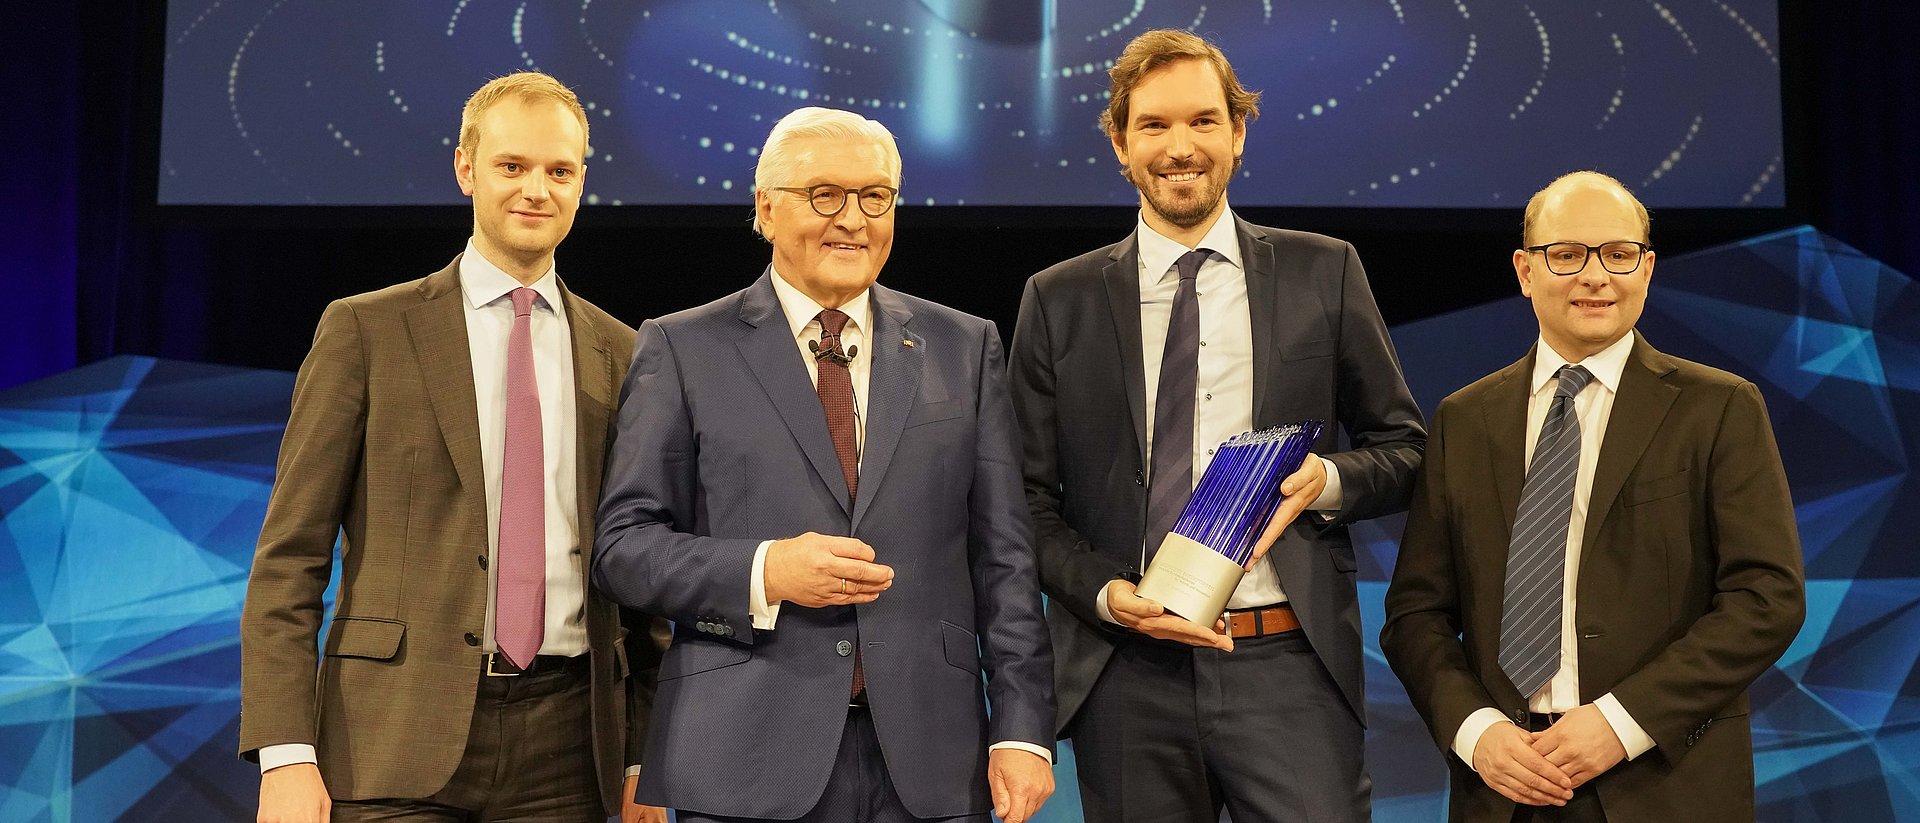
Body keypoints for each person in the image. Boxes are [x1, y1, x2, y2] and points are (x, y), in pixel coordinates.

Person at [591, 106, 1056, 823]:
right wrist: (765, 570)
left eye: (876, 197)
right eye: (825, 195)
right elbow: (624, 549)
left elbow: (1005, 559)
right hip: (743, 756)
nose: (853, 219)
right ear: (766, 210)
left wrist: (1023, 727)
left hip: (931, 759)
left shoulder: (966, 346)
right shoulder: (683, 348)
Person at [1008, 28, 1426, 822]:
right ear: (1120, 145)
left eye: (1203, 121)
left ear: (1238, 134)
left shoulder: (1323, 270)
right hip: (1127, 672)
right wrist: (1104, 592)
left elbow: (1405, 448)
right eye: (1154, 126)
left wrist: (1326, 480)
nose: (1180, 147)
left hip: (1287, 664)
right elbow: (1020, 501)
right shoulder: (1056, 300)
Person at [240, 72, 668, 823]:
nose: (536, 189)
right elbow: (289, 558)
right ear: (466, 168)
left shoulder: (625, 352)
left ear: (581, 183)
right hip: (391, 735)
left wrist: (645, 757)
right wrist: (285, 753)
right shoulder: (366, 331)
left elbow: (642, 577)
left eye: (558, 171)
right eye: (513, 166)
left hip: (572, 749)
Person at [1380, 170, 1806, 821]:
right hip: (1505, 788)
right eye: (1568, 254)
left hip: (1663, 782)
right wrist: (1476, 731)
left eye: (1618, 253)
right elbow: (1416, 614)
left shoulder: (1720, 408)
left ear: (1647, 267)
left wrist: (1620, 720)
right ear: (1525, 270)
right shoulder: (1464, 419)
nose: (1596, 275)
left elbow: (1767, 597)